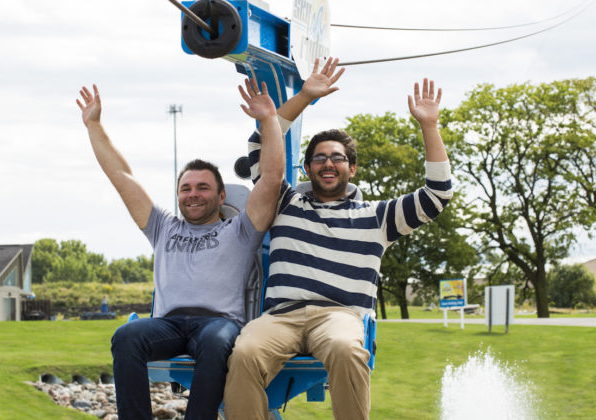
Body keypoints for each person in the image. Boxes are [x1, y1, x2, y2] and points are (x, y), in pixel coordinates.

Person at [223, 76, 454, 420]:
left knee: (347, 348)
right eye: (319, 158)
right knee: (244, 352)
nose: (328, 163)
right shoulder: (285, 203)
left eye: (337, 158)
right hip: (281, 316)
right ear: (307, 168)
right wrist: (303, 97)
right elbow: (261, 143)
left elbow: (437, 195)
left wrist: (429, 125)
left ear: (352, 167)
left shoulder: (377, 217)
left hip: (338, 316)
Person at [75, 77, 283, 420]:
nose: (193, 194)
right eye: (185, 188)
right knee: (126, 336)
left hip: (219, 324)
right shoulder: (162, 226)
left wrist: (269, 121)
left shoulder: (241, 230)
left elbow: (272, 179)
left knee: (217, 341)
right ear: (178, 195)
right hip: (167, 325)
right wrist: (94, 126)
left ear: (220, 197)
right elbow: (122, 177)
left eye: (203, 187)